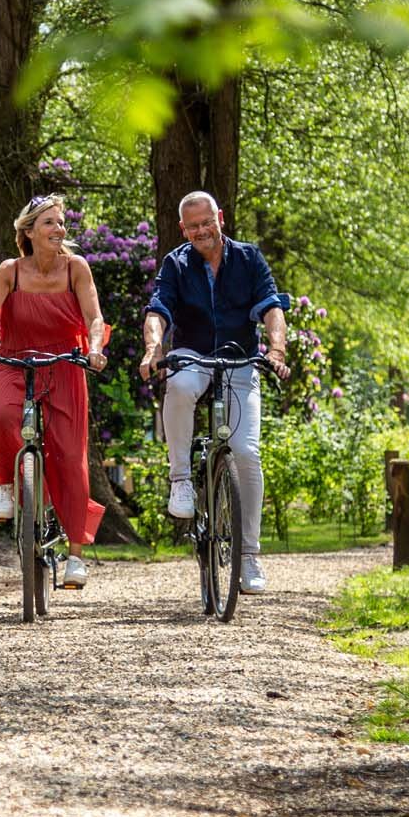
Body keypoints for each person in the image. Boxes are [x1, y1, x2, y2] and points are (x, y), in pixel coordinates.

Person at [138, 191, 290, 594]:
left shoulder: (248, 258)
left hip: (240, 356)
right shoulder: (176, 262)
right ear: (182, 229)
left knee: (246, 452)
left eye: (208, 222)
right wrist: (154, 348)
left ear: (220, 218)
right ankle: (182, 480)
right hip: (193, 353)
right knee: (181, 384)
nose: (202, 231)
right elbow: (159, 310)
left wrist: (276, 349)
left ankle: (248, 556)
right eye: (193, 226)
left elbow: (272, 307)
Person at [0, 194, 108, 588]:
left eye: (61, 223)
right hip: (14, 360)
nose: (59, 229)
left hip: (65, 364)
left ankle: (75, 556)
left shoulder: (77, 268)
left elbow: (94, 317)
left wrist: (94, 349)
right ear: (28, 231)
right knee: (1, 414)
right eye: (49, 223)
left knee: (71, 454)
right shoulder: (11, 271)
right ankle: (8, 485)